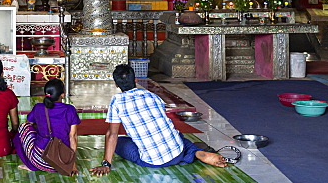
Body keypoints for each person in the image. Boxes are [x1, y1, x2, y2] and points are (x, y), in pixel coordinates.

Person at [90, 64, 226, 175]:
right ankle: (195, 152)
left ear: (115, 84)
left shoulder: (117, 101)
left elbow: (112, 134)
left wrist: (106, 163)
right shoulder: (150, 95)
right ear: (135, 80)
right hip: (177, 152)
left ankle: (193, 153)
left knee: (120, 142)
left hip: (152, 161)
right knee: (176, 135)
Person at [14, 78, 79, 173]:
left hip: (38, 161)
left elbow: (29, 123)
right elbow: (72, 137)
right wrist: (72, 165)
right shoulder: (70, 109)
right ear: (62, 94)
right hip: (61, 162)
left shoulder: (38, 107)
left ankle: (30, 165)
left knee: (23, 127)